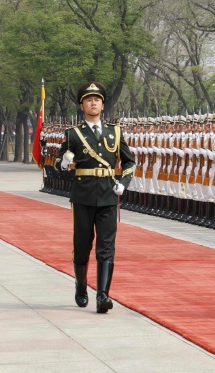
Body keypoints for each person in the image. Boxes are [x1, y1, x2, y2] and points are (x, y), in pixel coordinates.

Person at [55, 81, 135, 314]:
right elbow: (59, 166)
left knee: (106, 246)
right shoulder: (73, 134)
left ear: (102, 104)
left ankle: (103, 295)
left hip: (109, 195)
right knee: (82, 245)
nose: (93, 103)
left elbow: (129, 161)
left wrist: (124, 182)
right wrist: (65, 162)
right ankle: (81, 286)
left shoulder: (115, 131)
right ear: (82, 105)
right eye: (89, 100)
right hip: (83, 195)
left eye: (97, 100)